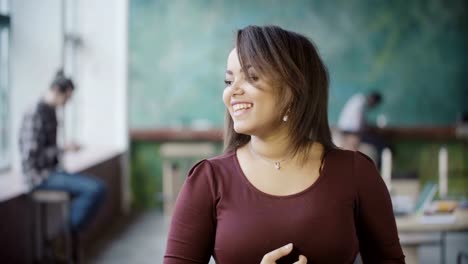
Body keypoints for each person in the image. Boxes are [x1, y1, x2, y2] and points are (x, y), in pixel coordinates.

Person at [164, 25, 404, 263]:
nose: (232, 92)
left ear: (293, 91)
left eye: (251, 77)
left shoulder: (356, 173)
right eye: (229, 81)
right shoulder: (208, 180)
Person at [19, 70, 106, 261]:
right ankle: (64, 237)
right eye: (67, 97)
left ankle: (66, 237)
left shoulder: (50, 111)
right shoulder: (35, 112)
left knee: (97, 188)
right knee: (96, 189)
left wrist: (61, 151)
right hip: (38, 177)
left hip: (52, 172)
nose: (67, 102)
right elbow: (31, 157)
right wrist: (63, 149)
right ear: (57, 90)